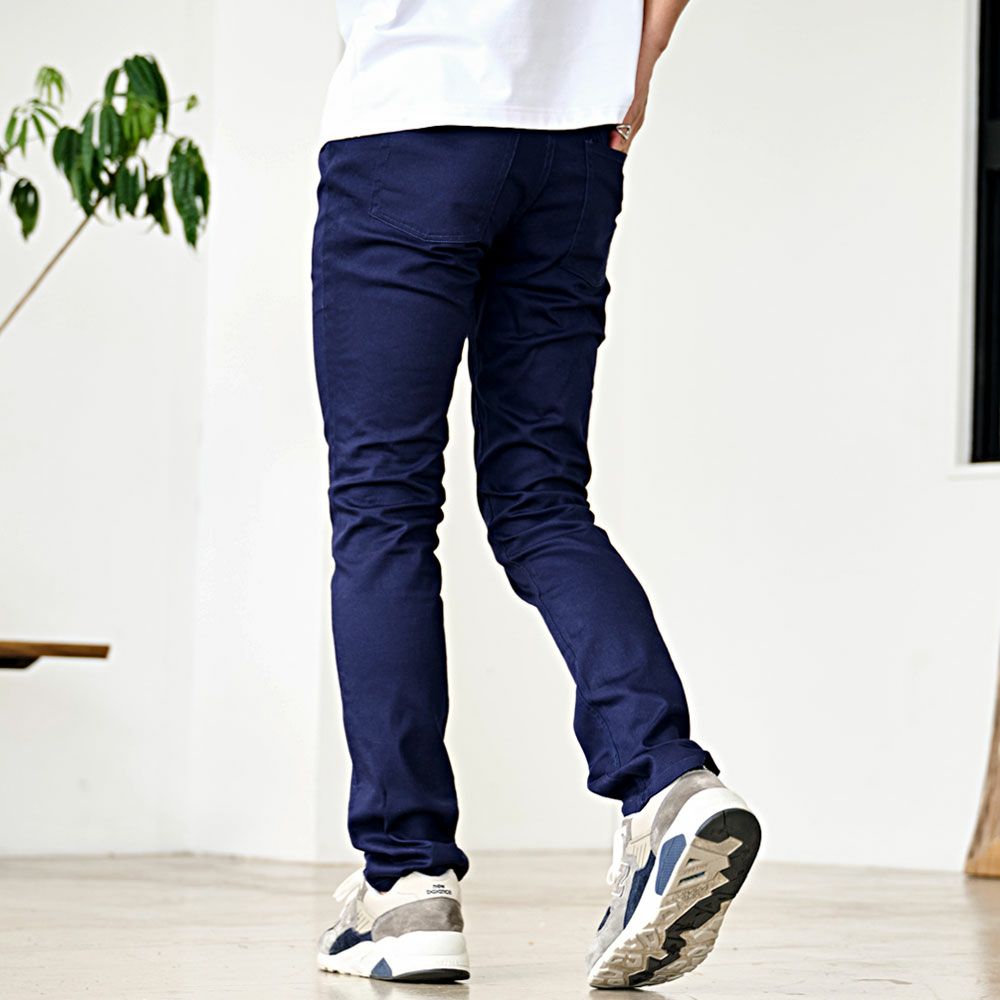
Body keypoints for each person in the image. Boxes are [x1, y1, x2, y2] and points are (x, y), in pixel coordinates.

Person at [311, 0, 760, 989]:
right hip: (574, 145)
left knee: (384, 511)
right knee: (542, 497)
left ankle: (406, 880)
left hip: (410, 126)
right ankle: (666, 779)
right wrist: (639, 56)